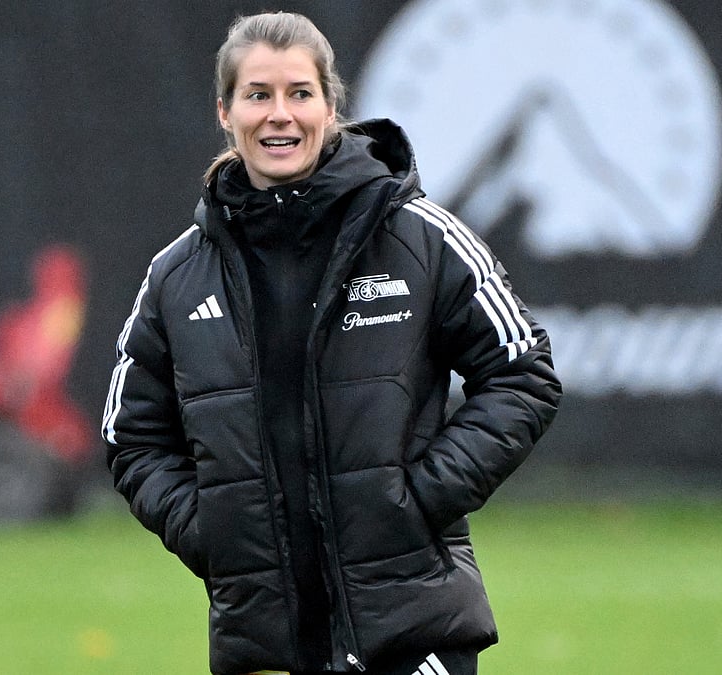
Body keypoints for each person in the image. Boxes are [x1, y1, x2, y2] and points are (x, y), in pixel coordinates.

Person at [101, 11, 560, 675]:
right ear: (226, 112)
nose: (279, 115)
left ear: (330, 106)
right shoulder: (176, 274)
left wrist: (419, 499)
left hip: (413, 631)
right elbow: (130, 434)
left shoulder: (421, 237)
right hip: (267, 643)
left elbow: (524, 372)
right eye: (258, 95)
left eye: (299, 93)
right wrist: (212, 532)